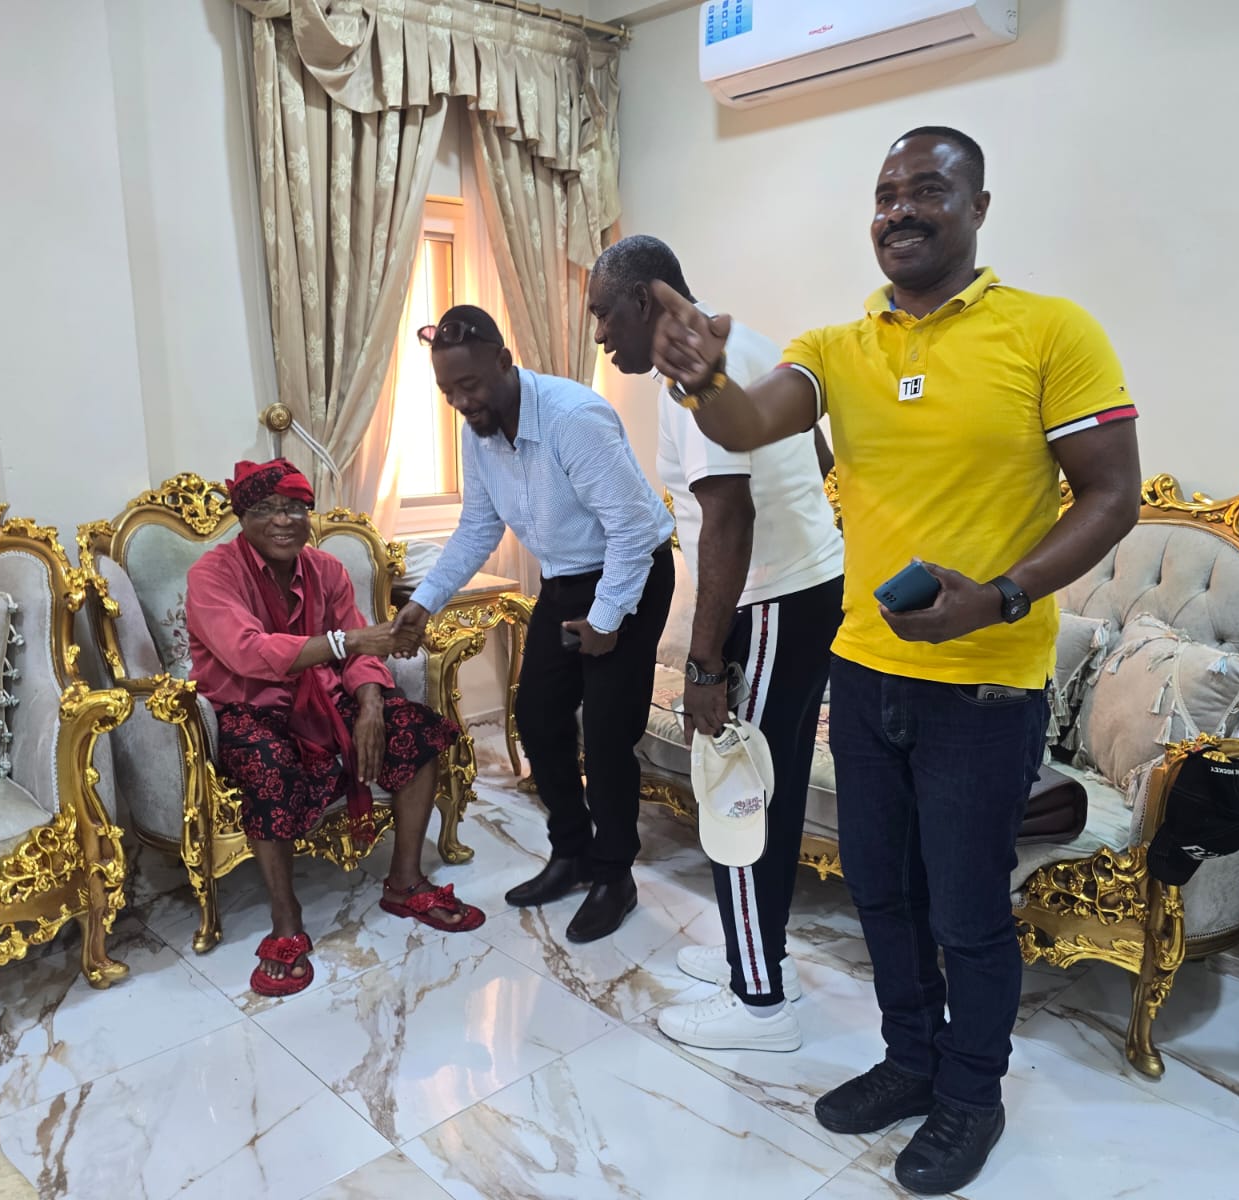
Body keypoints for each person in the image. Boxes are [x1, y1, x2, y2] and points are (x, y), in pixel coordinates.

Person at [647, 127, 1141, 1195]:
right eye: (884, 194)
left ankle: (971, 1094)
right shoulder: (836, 347)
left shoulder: (1050, 331)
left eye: (928, 189)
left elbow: (1112, 495)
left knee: (966, 911)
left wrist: (1000, 596)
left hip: (985, 686)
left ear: (978, 207)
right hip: (864, 673)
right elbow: (749, 420)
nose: (900, 210)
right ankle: (911, 1060)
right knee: (880, 894)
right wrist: (702, 377)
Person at [586, 234, 844, 1052]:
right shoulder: (750, 344)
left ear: (645, 300)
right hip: (808, 591)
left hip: (770, 603)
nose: (600, 335)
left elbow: (728, 516)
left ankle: (759, 1002)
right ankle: (758, 954)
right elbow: (818, 456)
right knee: (772, 789)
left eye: (603, 314)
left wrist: (704, 667)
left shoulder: (689, 378)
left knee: (738, 792)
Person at [392, 306, 675, 944]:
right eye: (447, 392)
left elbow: (633, 530)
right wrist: (427, 599)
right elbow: (479, 526)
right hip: (566, 579)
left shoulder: (574, 418)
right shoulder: (479, 430)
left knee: (606, 732)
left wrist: (607, 618)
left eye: (469, 385)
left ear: (503, 361)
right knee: (539, 717)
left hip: (629, 572)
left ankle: (615, 876)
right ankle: (572, 853)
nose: (460, 402)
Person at [186, 458, 484, 998]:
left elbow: (361, 656)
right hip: (250, 707)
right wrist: (349, 643)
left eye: (295, 508)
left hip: (327, 699)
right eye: (267, 509)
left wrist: (370, 704)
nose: (284, 520)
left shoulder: (327, 569)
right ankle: (286, 919)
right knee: (268, 765)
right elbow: (247, 652)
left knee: (416, 730)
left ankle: (405, 882)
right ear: (242, 518)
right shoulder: (212, 574)